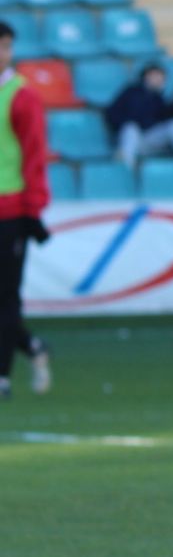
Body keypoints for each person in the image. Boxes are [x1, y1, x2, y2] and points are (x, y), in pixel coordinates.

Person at [0, 20, 52, 402]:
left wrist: (33, 209)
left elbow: (35, 155)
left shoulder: (21, 97)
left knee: (5, 297)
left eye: (4, 46)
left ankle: (1, 376)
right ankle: (32, 346)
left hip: (10, 209)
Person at [106, 62, 173, 168]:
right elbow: (111, 113)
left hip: (148, 140)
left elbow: (167, 118)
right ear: (147, 75)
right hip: (129, 138)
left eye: (161, 77)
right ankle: (125, 167)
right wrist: (127, 123)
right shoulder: (130, 92)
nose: (159, 79)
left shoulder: (159, 99)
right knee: (131, 128)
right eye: (156, 75)